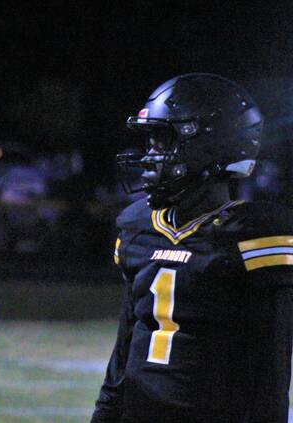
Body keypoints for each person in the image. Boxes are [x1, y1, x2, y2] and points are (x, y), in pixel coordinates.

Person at [91, 73, 293, 423]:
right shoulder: (137, 225)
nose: (150, 157)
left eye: (162, 142)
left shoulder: (256, 234)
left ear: (212, 147)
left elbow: (271, 367)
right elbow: (126, 343)